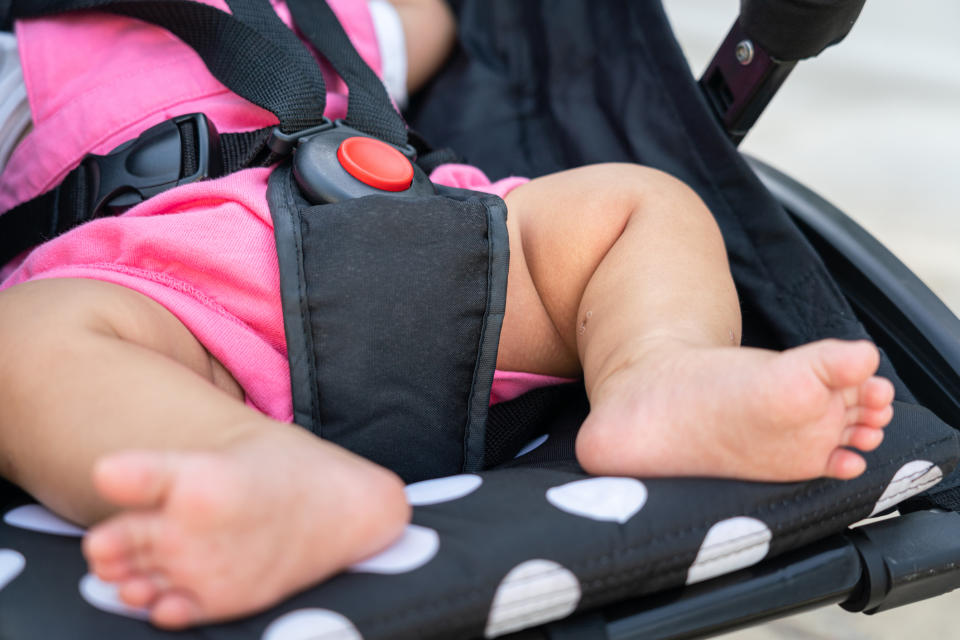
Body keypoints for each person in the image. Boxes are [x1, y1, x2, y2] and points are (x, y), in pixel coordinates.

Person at [0, 0, 894, 630]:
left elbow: (429, 21)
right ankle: (256, 473)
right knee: (26, 345)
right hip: (172, 294)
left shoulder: (321, 13)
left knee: (637, 205)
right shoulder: (21, 44)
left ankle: (659, 370)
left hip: (426, 230)